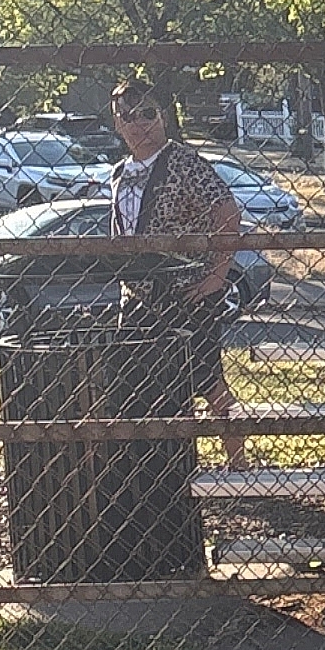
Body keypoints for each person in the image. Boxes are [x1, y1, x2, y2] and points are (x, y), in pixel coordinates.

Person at [105, 77, 247, 469]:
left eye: (148, 113)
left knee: (207, 379)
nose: (139, 125)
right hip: (136, 298)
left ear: (162, 116)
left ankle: (239, 464)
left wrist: (217, 277)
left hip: (187, 293)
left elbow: (227, 213)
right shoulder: (119, 173)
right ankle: (158, 465)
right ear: (117, 124)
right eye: (128, 117)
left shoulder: (184, 162)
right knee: (136, 380)